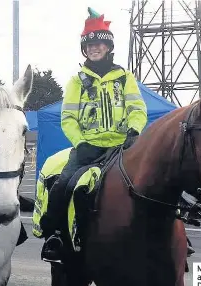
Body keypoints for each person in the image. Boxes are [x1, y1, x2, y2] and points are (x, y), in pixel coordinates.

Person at [39, 7, 148, 263]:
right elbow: (68, 119)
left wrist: (134, 130)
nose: (94, 48)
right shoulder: (77, 81)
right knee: (63, 185)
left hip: (122, 147)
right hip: (88, 148)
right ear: (84, 50)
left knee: (155, 181)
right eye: (89, 45)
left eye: (99, 43)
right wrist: (80, 142)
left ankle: (168, 237)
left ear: (108, 47)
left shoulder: (125, 78)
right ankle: (55, 235)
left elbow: (137, 109)